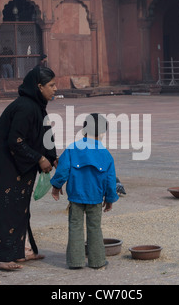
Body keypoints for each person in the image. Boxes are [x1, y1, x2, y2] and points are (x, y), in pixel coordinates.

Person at [0, 66, 58, 271]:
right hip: (1, 161)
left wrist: (53, 158)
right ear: (39, 87)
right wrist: (39, 159)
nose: (55, 89)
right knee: (7, 206)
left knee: (20, 206)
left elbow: (44, 136)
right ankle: (2, 256)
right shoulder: (25, 107)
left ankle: (22, 251)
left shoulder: (38, 107)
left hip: (15, 160)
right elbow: (16, 141)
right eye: (51, 85)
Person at [50, 113, 119, 270]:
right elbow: (110, 180)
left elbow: (62, 171)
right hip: (95, 198)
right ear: (102, 133)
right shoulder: (106, 155)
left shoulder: (72, 149)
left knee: (75, 227)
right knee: (95, 228)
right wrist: (109, 199)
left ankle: (76, 262)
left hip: (75, 197)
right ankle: (98, 261)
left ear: (84, 130)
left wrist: (56, 186)